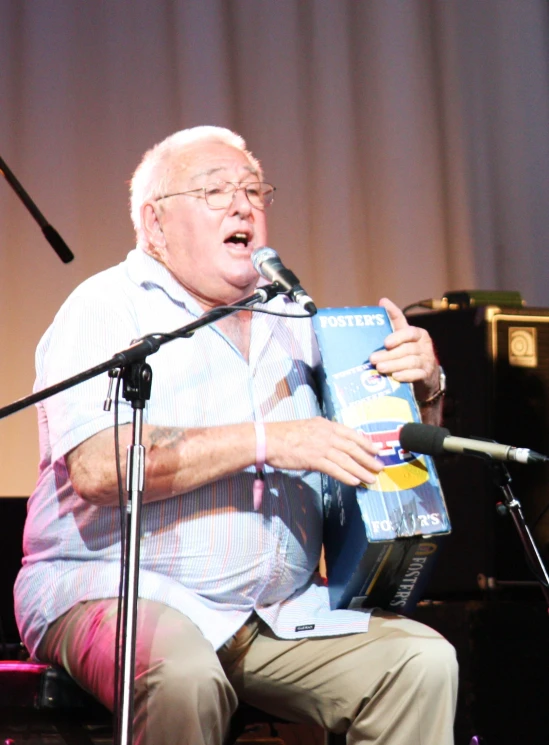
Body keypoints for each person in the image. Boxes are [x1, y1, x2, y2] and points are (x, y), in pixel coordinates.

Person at [14, 126, 457, 745]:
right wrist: (267, 440)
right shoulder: (108, 305)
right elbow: (97, 470)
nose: (242, 204)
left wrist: (425, 388)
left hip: (272, 614)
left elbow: (388, 472)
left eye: (254, 190)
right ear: (156, 223)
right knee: (185, 675)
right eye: (214, 190)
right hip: (114, 589)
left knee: (420, 662)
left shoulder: (296, 320)